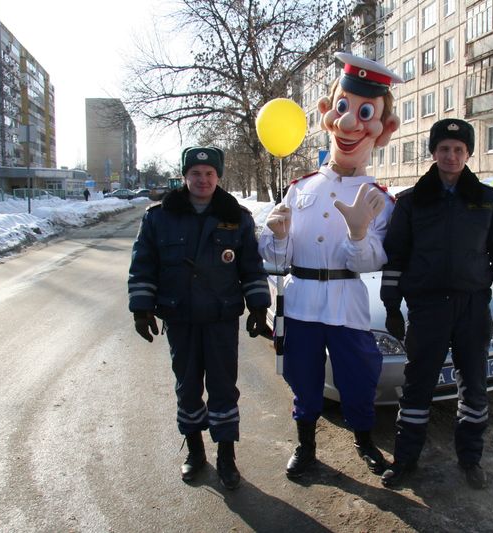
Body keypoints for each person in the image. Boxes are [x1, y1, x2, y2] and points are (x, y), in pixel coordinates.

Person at [258, 52, 401, 480]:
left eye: (364, 113)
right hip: (301, 300)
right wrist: (277, 236)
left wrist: (359, 235)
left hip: (346, 301)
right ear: (327, 114)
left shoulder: (378, 198)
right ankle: (306, 447)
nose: (349, 123)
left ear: (383, 129)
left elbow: (376, 259)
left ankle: (363, 440)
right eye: (342, 107)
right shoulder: (300, 188)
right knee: (303, 378)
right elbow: (275, 259)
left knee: (359, 377)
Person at [379, 118, 493, 490]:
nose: (451, 155)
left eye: (458, 150)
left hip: (473, 307)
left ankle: (470, 459)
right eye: (444, 149)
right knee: (418, 385)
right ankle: (406, 460)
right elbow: (395, 258)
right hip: (428, 308)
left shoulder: (488, 201)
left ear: (469, 154)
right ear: (433, 152)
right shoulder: (411, 202)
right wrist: (392, 306)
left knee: (473, 385)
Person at [128, 146, 270, 489]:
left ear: (218, 177)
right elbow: (143, 263)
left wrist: (258, 305)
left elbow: (250, 265)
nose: (202, 180)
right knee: (188, 385)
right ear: (184, 177)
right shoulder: (159, 217)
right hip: (180, 316)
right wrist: (141, 307)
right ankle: (195, 452)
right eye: (195, 173)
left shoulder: (236, 216)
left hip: (220, 317)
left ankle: (226, 456)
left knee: (223, 387)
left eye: (209, 174)